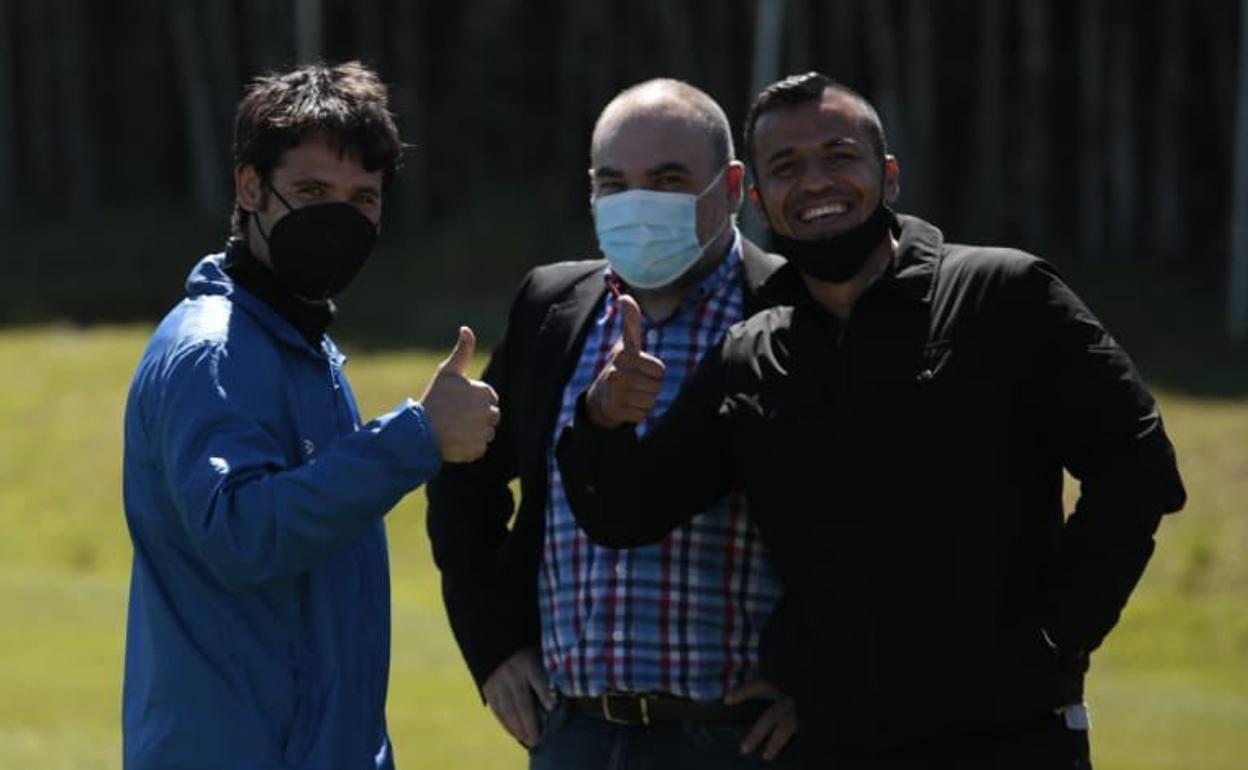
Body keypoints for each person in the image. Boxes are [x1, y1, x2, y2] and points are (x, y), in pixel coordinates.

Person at [556, 72, 1186, 769]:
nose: (816, 182)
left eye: (839, 155)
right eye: (787, 168)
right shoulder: (751, 352)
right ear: (758, 200)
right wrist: (603, 419)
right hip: (830, 745)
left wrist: (1056, 636)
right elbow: (627, 513)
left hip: (1010, 740)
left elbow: (1137, 465)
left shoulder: (1001, 294)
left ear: (888, 177)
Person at [121, 62, 499, 770]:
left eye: (363, 199)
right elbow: (239, 534)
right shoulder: (216, 350)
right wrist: (416, 436)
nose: (339, 218)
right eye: (313, 192)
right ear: (250, 187)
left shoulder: (297, 345)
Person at [426, 79, 802, 768]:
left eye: (667, 180)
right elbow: (464, 479)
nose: (638, 205)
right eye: (614, 183)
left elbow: (876, 524)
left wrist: (820, 679)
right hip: (576, 734)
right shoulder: (554, 306)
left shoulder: (793, 310)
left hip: (741, 741)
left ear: (732, 186)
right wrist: (493, 647)